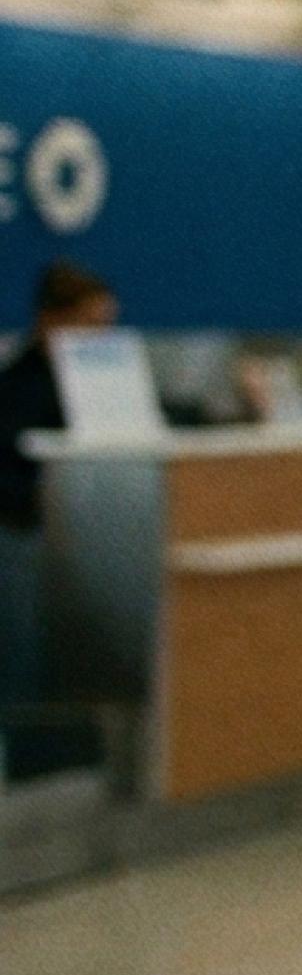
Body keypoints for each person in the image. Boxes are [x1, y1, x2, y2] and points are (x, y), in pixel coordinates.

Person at [0, 263, 117, 779]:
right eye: (90, 326)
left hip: (78, 547)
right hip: (25, 541)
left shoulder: (95, 386)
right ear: (52, 322)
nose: (99, 340)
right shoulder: (19, 388)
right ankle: (35, 764)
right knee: (29, 661)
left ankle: (71, 760)